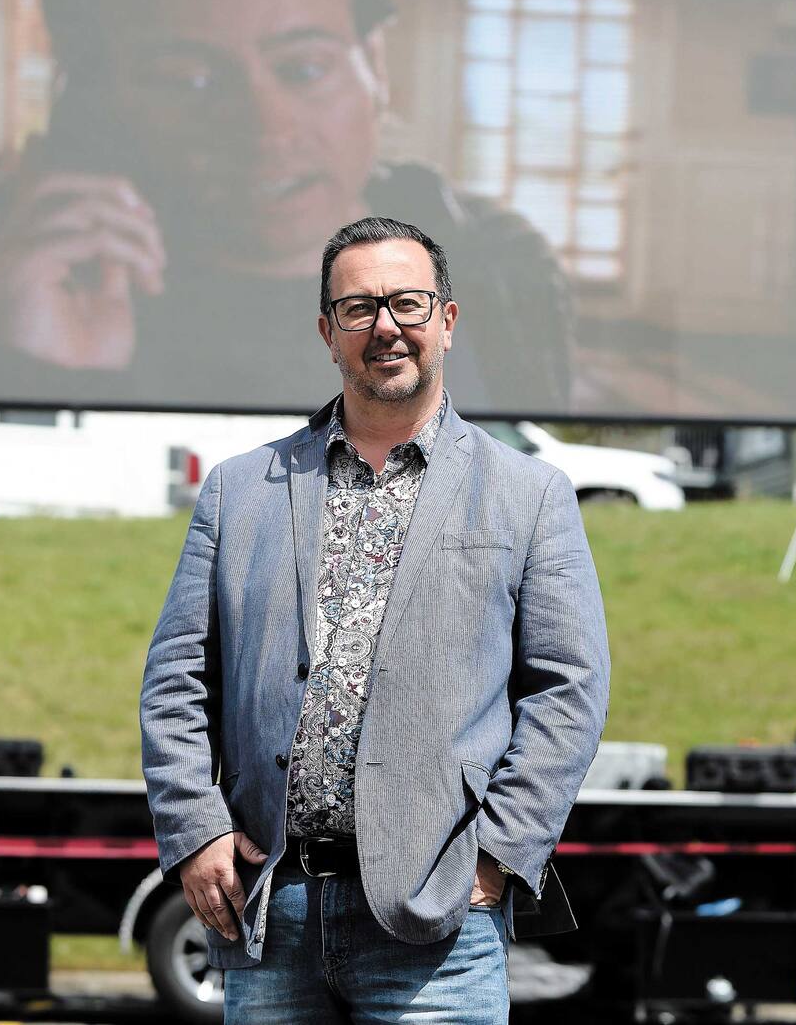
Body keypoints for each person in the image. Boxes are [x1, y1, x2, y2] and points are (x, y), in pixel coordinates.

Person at [139, 216, 609, 1022]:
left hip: (439, 923)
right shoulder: (240, 490)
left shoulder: (529, 495)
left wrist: (495, 859)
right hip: (271, 913)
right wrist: (194, 830)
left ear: (448, 323)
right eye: (358, 308)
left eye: (407, 303)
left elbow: (569, 691)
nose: (385, 326)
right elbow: (176, 682)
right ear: (328, 332)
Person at [0, 0, 570, 414]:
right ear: (97, 104)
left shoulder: (497, 259)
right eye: (188, 80)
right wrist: (44, 371)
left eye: (305, 68)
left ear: (375, 68)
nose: (263, 127)